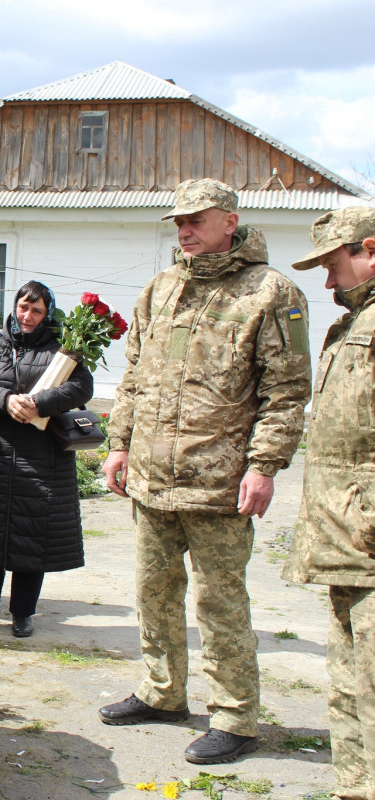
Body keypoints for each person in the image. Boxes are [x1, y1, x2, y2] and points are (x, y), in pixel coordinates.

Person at [98, 178, 312, 764]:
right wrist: (118, 444)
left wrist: (265, 465)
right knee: (154, 593)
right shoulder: (161, 288)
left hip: (219, 483)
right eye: (178, 223)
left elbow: (288, 391)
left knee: (219, 603)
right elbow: (135, 375)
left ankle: (236, 715)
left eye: (196, 220)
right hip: (151, 478)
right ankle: (163, 692)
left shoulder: (271, 292)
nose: (184, 231)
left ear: (229, 221)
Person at [281, 207, 375, 800]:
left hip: (366, 527)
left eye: (334, 264)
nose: (327, 281)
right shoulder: (351, 326)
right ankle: (356, 784)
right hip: (347, 534)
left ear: (371, 250)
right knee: (349, 674)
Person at [0, 281, 93, 639]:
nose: (27, 316)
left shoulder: (64, 348)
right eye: (23, 307)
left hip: (43, 454)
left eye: (37, 311)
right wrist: (5, 400)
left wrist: (40, 402)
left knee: (33, 534)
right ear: (14, 306)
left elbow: (82, 388)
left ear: (47, 314)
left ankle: (22, 613)